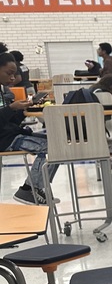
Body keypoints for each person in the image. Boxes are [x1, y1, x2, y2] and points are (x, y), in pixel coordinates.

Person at [0, 52, 58, 204]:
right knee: (51, 146)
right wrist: (12, 107)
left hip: (10, 134)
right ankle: (29, 189)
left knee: (58, 144)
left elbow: (9, 121)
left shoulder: (3, 91)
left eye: (14, 74)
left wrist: (23, 110)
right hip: (5, 140)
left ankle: (37, 188)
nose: (13, 78)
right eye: (9, 73)